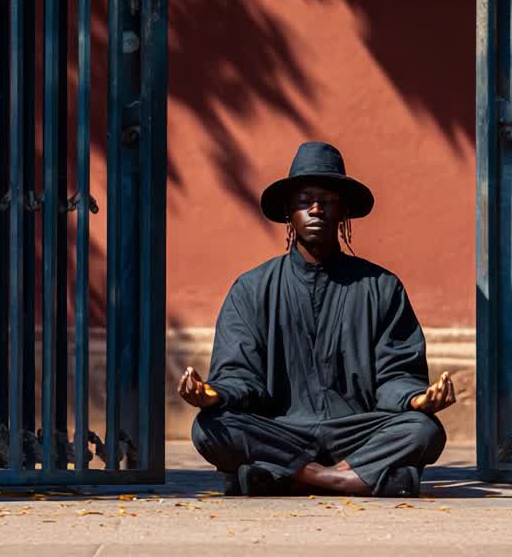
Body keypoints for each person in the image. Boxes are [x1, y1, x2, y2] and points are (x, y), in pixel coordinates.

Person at [179, 141, 454, 497]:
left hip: (356, 431)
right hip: (281, 431)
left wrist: (417, 400)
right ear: (288, 213)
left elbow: (396, 373)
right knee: (210, 427)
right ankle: (354, 480)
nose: (315, 208)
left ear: (343, 212)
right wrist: (213, 394)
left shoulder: (381, 287)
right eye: (304, 200)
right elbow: (239, 371)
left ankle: (283, 478)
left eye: (326, 200)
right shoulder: (252, 288)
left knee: (424, 430)